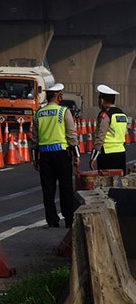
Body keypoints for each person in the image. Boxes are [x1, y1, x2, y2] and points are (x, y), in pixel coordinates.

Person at [30, 83, 79, 228]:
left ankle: (52, 220)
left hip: (45, 156)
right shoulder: (63, 111)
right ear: (58, 96)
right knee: (66, 188)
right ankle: (69, 219)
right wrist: (76, 155)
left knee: (48, 190)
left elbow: (34, 139)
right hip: (61, 155)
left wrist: (35, 158)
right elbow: (71, 135)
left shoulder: (38, 113)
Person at [90, 84, 128, 172]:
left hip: (107, 154)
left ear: (102, 100)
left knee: (105, 183)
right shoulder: (122, 114)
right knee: (118, 182)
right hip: (121, 152)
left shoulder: (105, 115)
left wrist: (93, 157)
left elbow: (100, 136)